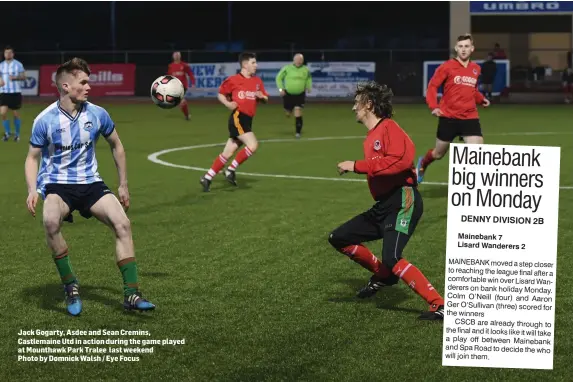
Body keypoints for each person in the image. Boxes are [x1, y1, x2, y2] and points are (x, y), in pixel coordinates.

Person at [24, 57, 155, 316]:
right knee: (50, 222)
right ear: (65, 86)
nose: (88, 87)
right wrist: (32, 189)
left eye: (88, 82)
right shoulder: (45, 120)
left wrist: (123, 185)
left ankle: (132, 294)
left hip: (91, 183)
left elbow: (117, 145)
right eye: (82, 82)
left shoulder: (97, 114)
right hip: (58, 185)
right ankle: (71, 286)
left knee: (123, 224)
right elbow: (32, 157)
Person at [329, 81, 444, 321]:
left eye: (356, 103)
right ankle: (384, 275)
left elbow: (402, 160)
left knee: (393, 257)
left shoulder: (389, 128)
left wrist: (356, 166)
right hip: (384, 205)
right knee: (338, 238)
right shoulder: (371, 137)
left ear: (368, 104)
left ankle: (440, 304)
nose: (353, 108)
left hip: (404, 199)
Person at [416, 34, 490, 184]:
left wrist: (481, 99)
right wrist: (434, 106)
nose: (463, 50)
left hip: (470, 117)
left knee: (477, 153)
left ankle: (468, 187)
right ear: (456, 48)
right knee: (438, 154)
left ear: (472, 49)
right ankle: (423, 163)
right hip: (448, 117)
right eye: (461, 46)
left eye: (466, 46)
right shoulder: (446, 67)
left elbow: (472, 90)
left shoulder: (476, 69)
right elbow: (432, 86)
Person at [200, 52, 268, 192]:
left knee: (228, 153)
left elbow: (265, 98)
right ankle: (230, 170)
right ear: (244, 64)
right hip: (238, 117)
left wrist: (262, 97)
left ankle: (207, 177)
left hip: (248, 120)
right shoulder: (233, 80)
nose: (256, 65)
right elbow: (220, 94)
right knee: (253, 145)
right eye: (253, 63)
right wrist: (227, 104)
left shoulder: (257, 82)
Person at [275, 53, 312, 138]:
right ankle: (288, 110)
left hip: (300, 94)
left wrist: (308, 86)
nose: (299, 61)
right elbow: (278, 78)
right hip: (288, 94)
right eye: (297, 59)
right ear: (293, 60)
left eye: (300, 60)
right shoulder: (287, 68)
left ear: (302, 61)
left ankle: (298, 132)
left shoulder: (306, 69)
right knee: (288, 113)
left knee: (298, 111)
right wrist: (281, 89)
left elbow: (309, 78)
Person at [0, 46, 26, 142]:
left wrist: (15, 78)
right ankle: (7, 133)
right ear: (4, 54)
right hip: (4, 92)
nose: (8, 54)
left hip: (15, 92)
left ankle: (17, 134)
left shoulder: (18, 64)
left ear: (13, 54)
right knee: (2, 113)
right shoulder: (1, 65)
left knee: (15, 114)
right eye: (6, 53)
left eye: (10, 53)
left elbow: (23, 77)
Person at [167, 51, 196, 120]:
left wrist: (193, 83)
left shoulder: (184, 65)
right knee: (180, 103)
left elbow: (190, 74)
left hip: (183, 86)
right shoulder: (171, 66)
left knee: (181, 101)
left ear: (180, 56)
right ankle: (187, 115)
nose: (176, 56)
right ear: (173, 57)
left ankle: (186, 114)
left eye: (178, 55)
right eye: (175, 55)